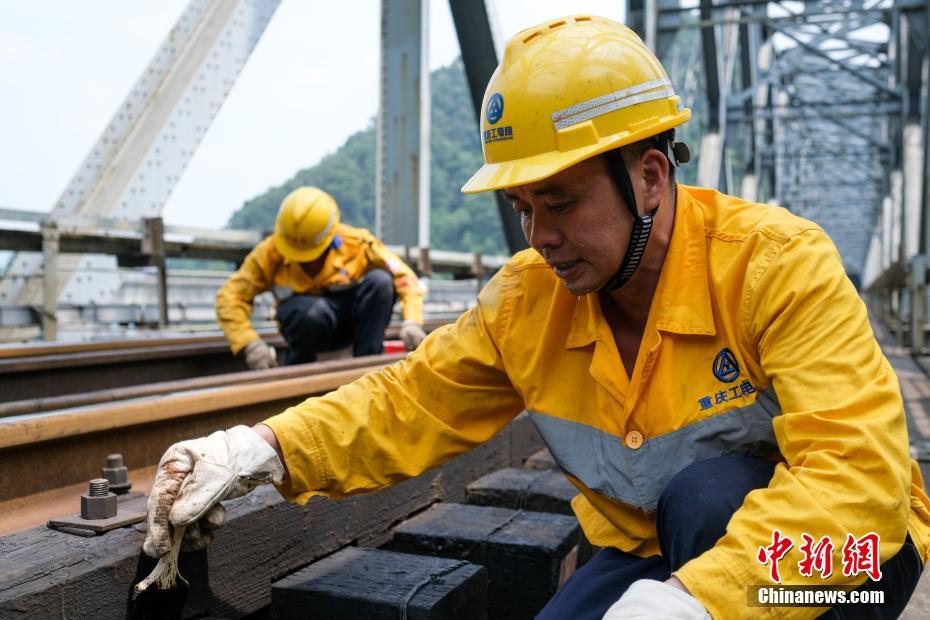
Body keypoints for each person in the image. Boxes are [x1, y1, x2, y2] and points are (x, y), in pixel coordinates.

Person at [146, 16, 930, 619]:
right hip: (654, 550)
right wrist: (261, 450)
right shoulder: (527, 302)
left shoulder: (774, 265)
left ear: (650, 177)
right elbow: (407, 403)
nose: (540, 236)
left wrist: (701, 601)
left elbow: (858, 481)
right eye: (522, 207)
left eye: (559, 201)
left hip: (845, 559)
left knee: (708, 498)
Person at [214, 186, 427, 369]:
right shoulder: (270, 253)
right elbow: (230, 298)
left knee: (380, 282)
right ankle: (298, 369)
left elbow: (404, 277)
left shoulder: (356, 244)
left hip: (351, 327)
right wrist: (250, 344)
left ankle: (367, 364)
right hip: (308, 329)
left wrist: (412, 322)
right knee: (311, 312)